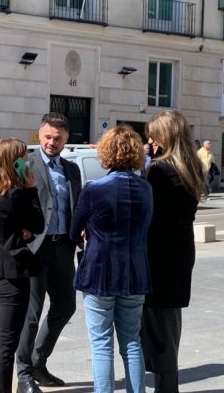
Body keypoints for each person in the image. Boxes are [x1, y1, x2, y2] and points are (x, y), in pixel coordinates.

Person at [70, 125, 153, 393]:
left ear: (106, 153)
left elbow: (74, 231)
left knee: (101, 344)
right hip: (135, 272)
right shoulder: (146, 189)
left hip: (99, 273)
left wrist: (88, 231)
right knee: (132, 341)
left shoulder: (95, 189)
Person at [16, 112, 82, 393]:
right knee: (31, 313)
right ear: (39, 135)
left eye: (58, 138)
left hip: (63, 247)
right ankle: (24, 374)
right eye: (47, 137)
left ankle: (39, 361)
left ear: (66, 139)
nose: (52, 142)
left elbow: (76, 206)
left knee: (66, 305)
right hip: (35, 250)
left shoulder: (71, 169)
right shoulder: (24, 165)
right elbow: (11, 199)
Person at [0, 138, 44, 393]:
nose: (26, 162)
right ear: (14, 161)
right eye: (23, 158)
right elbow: (37, 225)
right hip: (11, 277)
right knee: (5, 343)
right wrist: (32, 188)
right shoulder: (16, 195)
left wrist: (18, 232)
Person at [142, 110, 206, 393]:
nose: (150, 141)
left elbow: (149, 215)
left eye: (153, 136)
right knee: (168, 324)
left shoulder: (159, 170)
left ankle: (167, 388)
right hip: (180, 251)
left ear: (163, 137)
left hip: (158, 254)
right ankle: (167, 385)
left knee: (158, 328)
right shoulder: (191, 167)